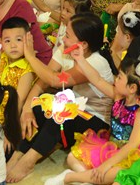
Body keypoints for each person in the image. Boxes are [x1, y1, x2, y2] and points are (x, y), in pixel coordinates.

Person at [7, 13, 114, 182]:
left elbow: (55, 80)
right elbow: (44, 79)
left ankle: (28, 161)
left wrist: (30, 57)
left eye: (68, 36)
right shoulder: (66, 50)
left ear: (83, 44)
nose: (63, 38)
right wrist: (28, 107)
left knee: (60, 116)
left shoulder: (96, 62)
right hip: (74, 108)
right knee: (40, 107)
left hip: (96, 121)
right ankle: (18, 153)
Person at [46, 55, 140, 185]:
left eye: (119, 77)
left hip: (127, 154)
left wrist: (106, 165)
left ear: (132, 88)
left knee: (117, 173)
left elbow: (131, 146)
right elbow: (97, 80)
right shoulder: (118, 97)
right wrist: (80, 58)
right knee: (72, 157)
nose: (115, 79)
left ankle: (70, 177)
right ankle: (89, 179)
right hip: (110, 147)